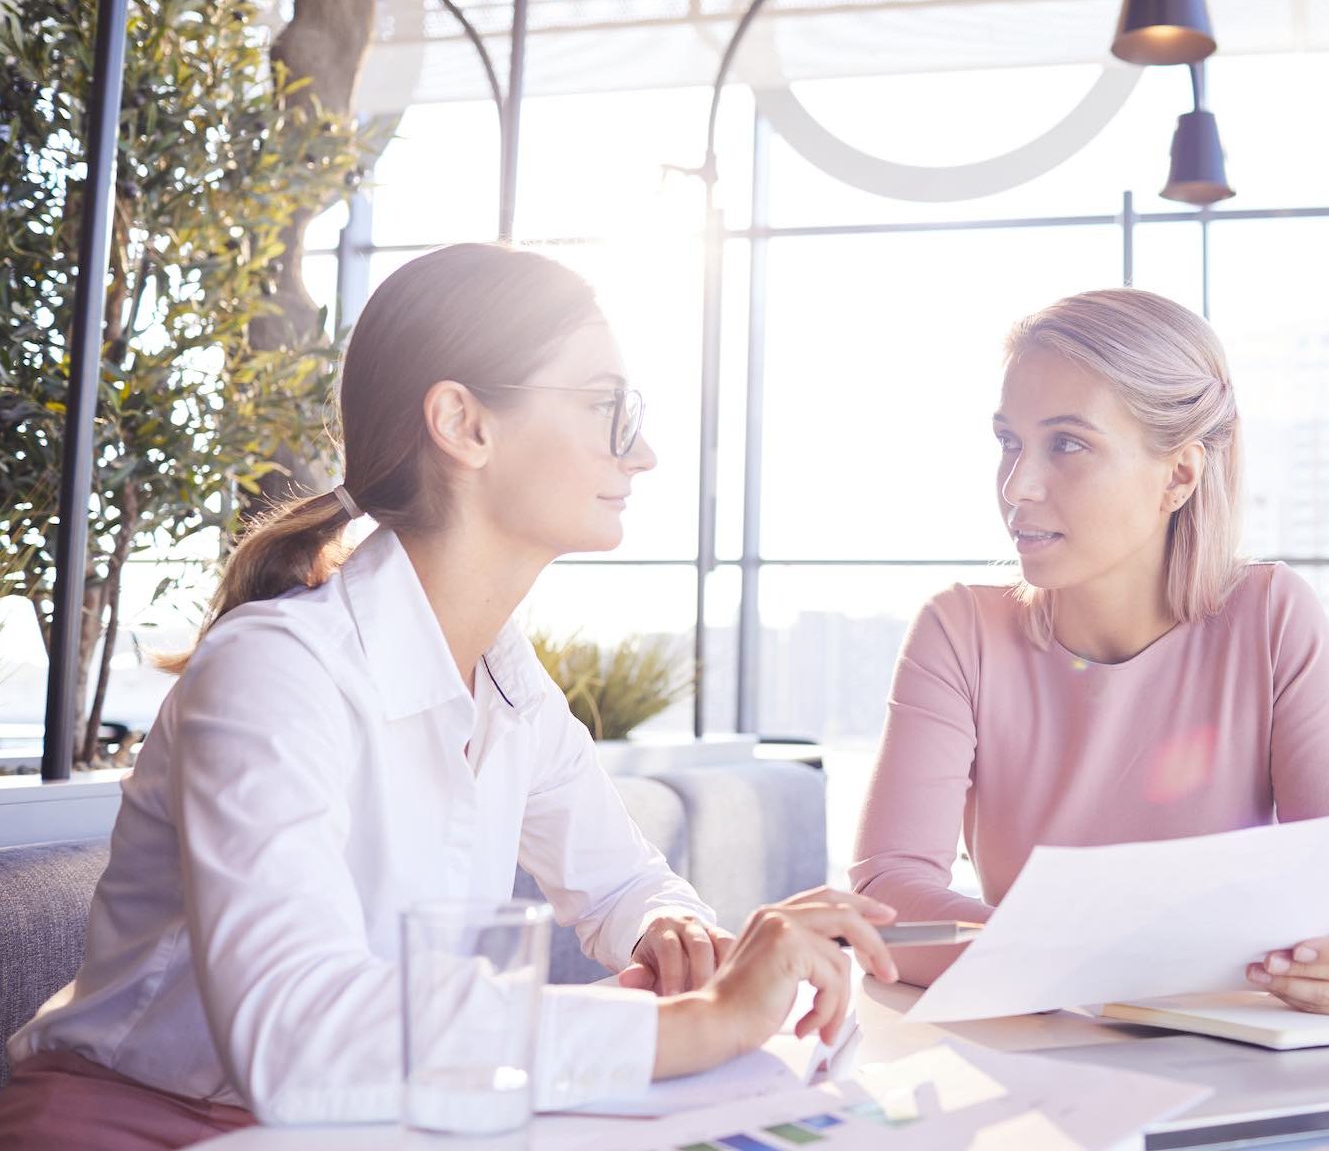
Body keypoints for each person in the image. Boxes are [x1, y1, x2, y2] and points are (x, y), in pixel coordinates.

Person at [1, 244, 897, 1149]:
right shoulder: (277, 670)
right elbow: (297, 1039)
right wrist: (701, 1023)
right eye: (604, 405)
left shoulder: (506, 685)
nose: (646, 451)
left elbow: (622, 880)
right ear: (463, 423)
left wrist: (676, 934)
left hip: (369, 1127)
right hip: (143, 1125)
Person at [851, 287, 1329, 1008]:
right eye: (1009, 443)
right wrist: (1092, 967)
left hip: (1227, 1062)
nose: (1018, 487)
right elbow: (885, 908)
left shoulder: (1269, 616)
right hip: (1039, 1059)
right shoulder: (960, 633)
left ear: (1178, 475)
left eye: (1067, 445)